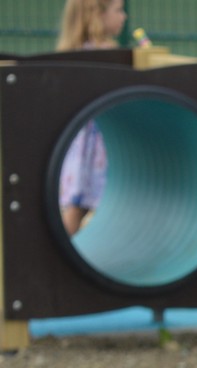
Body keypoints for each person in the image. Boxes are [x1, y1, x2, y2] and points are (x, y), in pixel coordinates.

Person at [55, 0, 127, 237]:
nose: (123, 16)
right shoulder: (107, 56)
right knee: (79, 208)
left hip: (81, 143)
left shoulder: (71, 53)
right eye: (118, 10)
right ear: (97, 15)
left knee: (79, 206)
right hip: (99, 144)